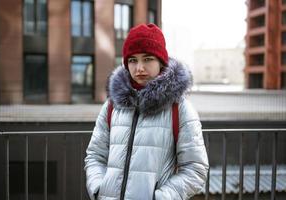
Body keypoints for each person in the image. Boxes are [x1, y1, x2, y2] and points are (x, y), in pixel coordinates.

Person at [84, 23, 209, 200]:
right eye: (133, 60)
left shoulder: (179, 108)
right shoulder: (112, 105)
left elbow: (195, 168)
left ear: (161, 62)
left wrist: (162, 197)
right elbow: (95, 156)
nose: (139, 68)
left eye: (148, 59)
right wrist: (98, 189)